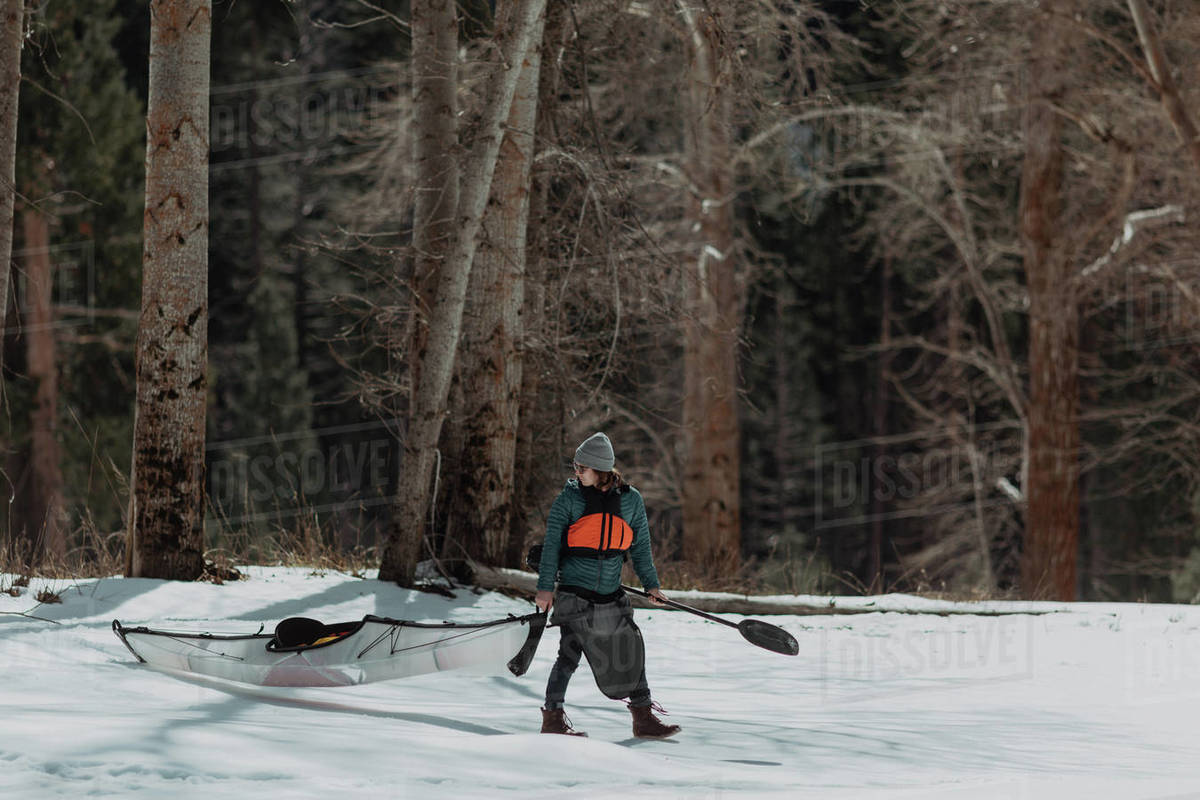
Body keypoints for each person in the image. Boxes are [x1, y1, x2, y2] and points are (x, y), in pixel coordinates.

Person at [534, 431, 682, 739]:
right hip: (576, 594)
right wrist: (545, 588)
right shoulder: (569, 499)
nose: (576, 473)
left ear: (600, 469)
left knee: (631, 647)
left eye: (581, 468)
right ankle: (552, 719)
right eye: (575, 467)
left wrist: (652, 585)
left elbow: (641, 547)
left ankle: (643, 718)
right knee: (569, 654)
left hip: (611, 594)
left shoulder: (630, 500)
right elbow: (550, 547)